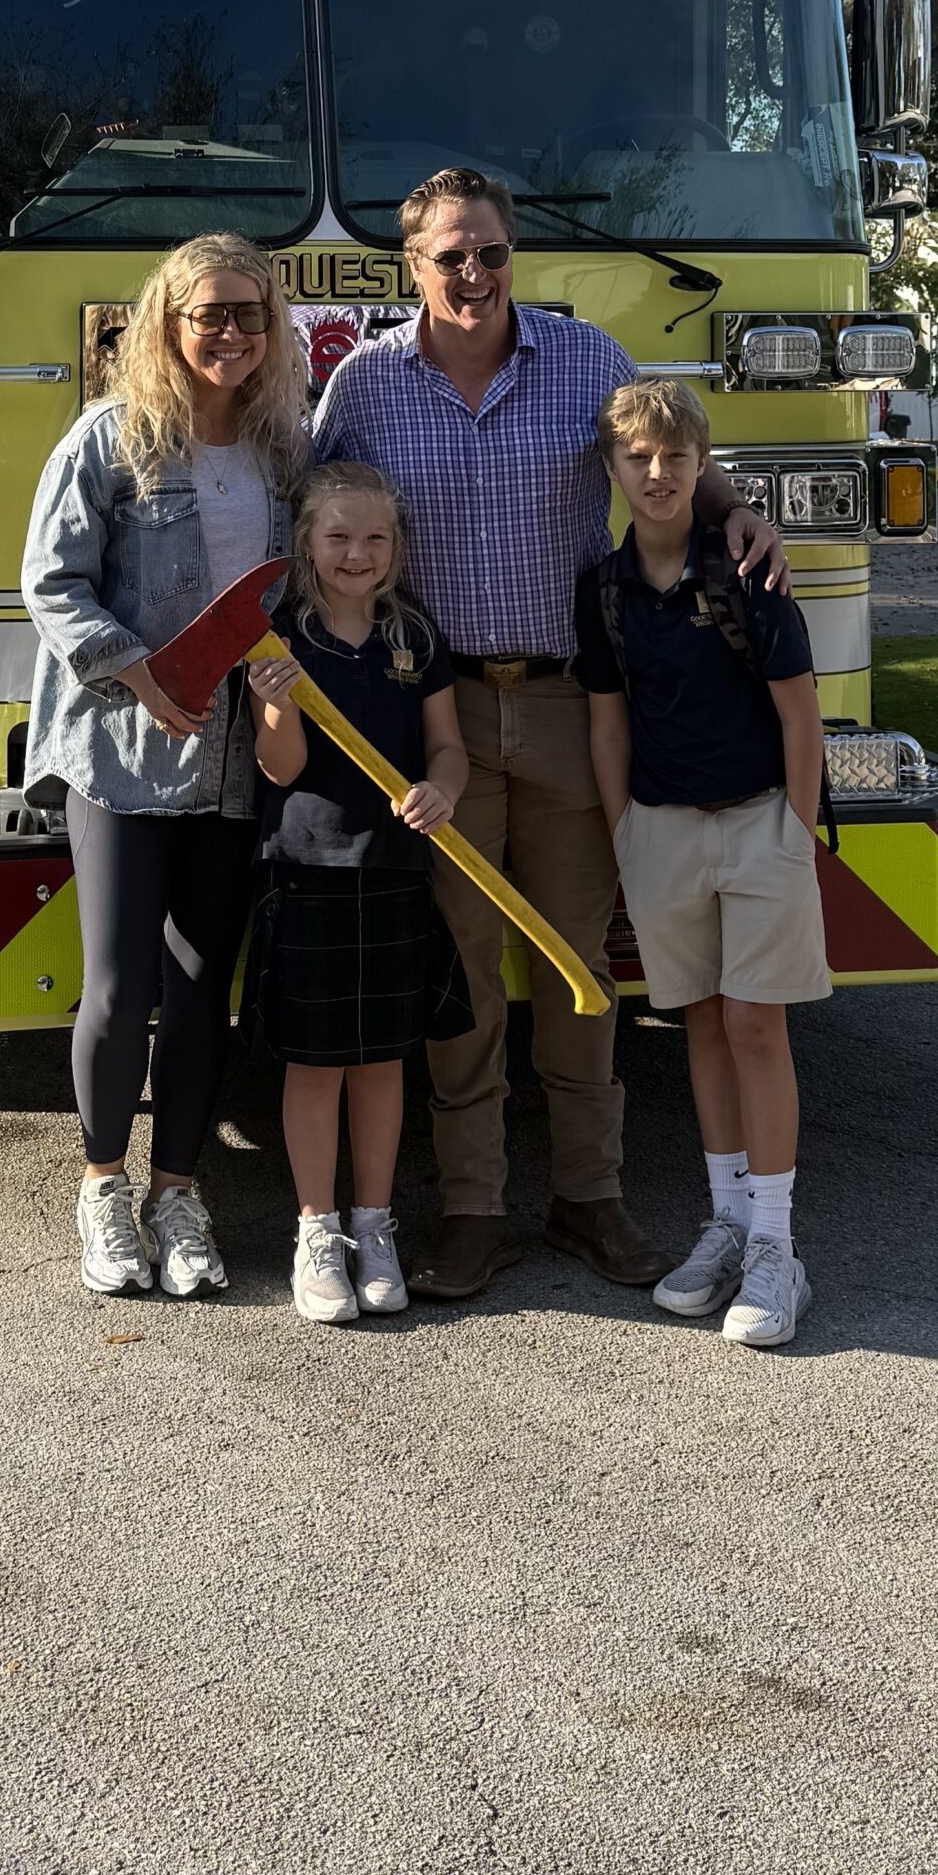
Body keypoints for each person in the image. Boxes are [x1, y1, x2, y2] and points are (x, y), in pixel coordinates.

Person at [312, 166, 787, 1302]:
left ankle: (589, 1196)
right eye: (449, 256)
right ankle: (472, 1210)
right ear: (411, 266)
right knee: (464, 964)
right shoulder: (363, 386)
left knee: (580, 961)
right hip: (437, 715)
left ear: (511, 253)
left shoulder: (586, 359)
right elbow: (317, 510)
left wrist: (739, 509)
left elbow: (668, 452)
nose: (473, 274)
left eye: (490, 252)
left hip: (575, 703)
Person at [22, 233, 305, 1301]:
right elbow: (53, 582)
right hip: (121, 753)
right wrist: (136, 672)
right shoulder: (111, 439)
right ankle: (103, 1186)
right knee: (119, 980)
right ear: (166, 323)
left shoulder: (284, 453)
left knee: (199, 988)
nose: (231, 333)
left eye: (249, 314)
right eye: (209, 314)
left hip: (234, 758)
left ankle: (177, 1194)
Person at [576, 381, 830, 1350]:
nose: (657, 474)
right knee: (703, 1023)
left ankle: (775, 1245)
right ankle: (725, 1223)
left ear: (701, 465)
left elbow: (800, 715)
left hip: (761, 822)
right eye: (637, 458)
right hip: (662, 831)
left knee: (756, 1023)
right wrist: (626, 833)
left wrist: (794, 833)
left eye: (675, 458)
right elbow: (607, 725)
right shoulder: (602, 590)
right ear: (610, 469)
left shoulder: (748, 573)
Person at [245, 463, 469, 1327]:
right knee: (316, 1064)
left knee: (382, 1061)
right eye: (337, 536)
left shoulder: (416, 633)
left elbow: (446, 747)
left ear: (396, 546)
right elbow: (282, 770)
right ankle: (317, 1231)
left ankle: (374, 1228)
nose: (357, 554)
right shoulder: (279, 638)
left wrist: (444, 790)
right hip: (307, 868)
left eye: (375, 537)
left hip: (396, 869)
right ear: (305, 541)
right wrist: (276, 707)